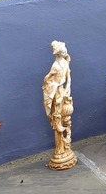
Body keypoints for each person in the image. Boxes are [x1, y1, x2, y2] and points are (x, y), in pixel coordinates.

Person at [42, 40, 76, 170]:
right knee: (58, 118)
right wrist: (55, 86)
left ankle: (63, 149)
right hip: (57, 93)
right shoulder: (57, 65)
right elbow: (49, 79)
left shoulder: (62, 64)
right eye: (62, 51)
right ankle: (59, 150)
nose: (64, 52)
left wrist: (66, 89)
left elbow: (67, 79)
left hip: (61, 92)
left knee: (63, 117)